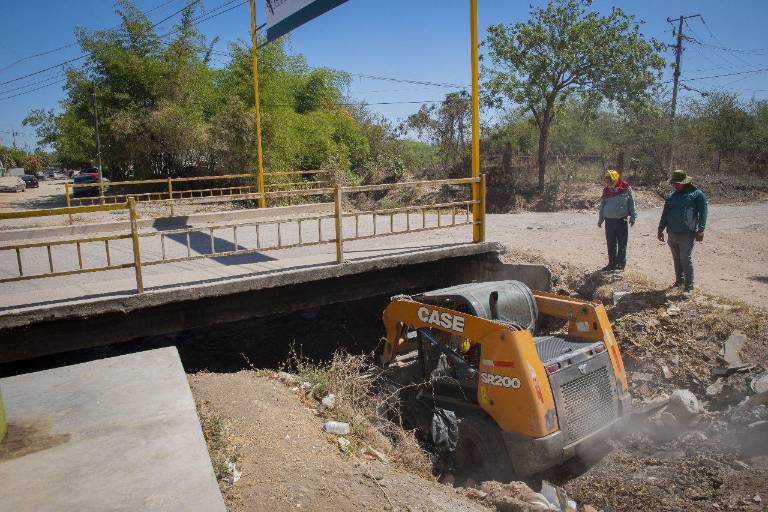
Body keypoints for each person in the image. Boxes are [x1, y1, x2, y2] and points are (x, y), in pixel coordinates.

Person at [657, 170, 708, 294]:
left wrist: (701, 229)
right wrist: (660, 229)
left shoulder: (697, 194)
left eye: (677, 183)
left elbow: (703, 212)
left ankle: (689, 286)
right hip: (672, 232)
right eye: (674, 183)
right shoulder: (671, 196)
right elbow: (665, 214)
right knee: (676, 258)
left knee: (685, 258)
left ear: (685, 182)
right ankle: (679, 281)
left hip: (687, 232)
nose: (675, 185)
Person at [598, 169, 637, 271]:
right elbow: (602, 205)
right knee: (610, 242)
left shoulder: (625, 188)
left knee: (622, 242)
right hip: (609, 221)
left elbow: (631, 203)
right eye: (607, 180)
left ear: (615, 179)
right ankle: (611, 264)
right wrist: (600, 219)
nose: (608, 182)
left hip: (621, 220)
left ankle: (620, 264)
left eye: (610, 179)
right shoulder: (606, 190)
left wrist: (633, 216)